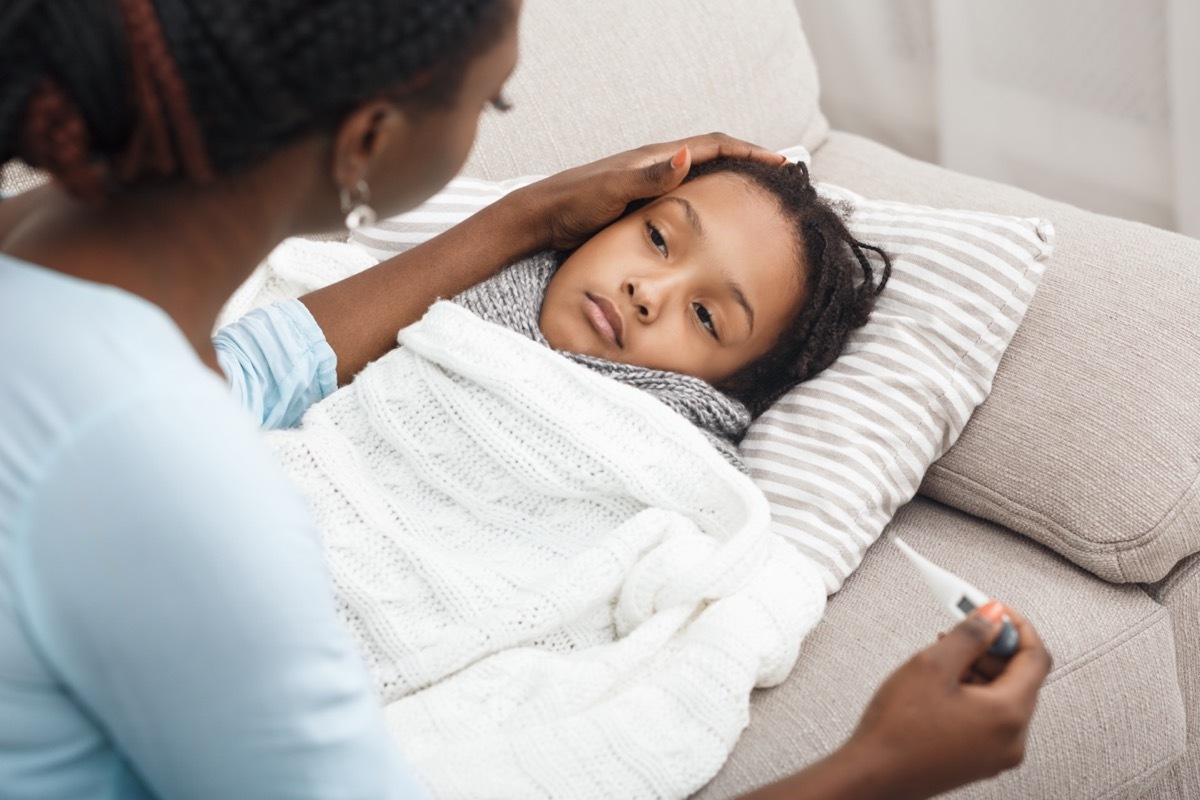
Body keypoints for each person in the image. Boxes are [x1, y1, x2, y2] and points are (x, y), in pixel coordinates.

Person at [0, 2, 1051, 800]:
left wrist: (530, 213)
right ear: (367, 140)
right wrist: (879, 766)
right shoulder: (186, 499)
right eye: (491, 103)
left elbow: (246, 373)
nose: (647, 283)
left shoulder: (56, 301)